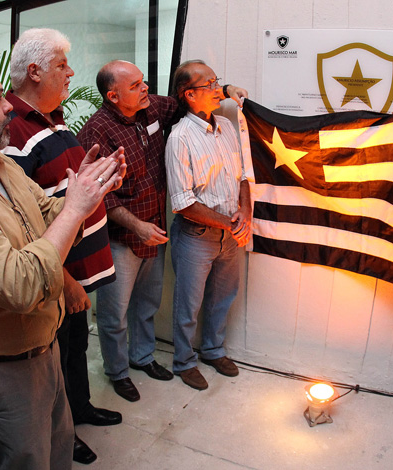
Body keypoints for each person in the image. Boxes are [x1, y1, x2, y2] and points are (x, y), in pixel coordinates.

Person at [0, 57, 125, 470]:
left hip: (43, 350)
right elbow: (22, 284)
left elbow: (47, 214)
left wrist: (85, 192)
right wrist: (74, 209)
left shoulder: (1, 164)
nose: (9, 105)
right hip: (4, 369)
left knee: (57, 449)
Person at [77, 60, 248, 400]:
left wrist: (225, 91)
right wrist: (137, 225)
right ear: (113, 96)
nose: (146, 89)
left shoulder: (151, 107)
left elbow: (183, 98)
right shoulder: (96, 133)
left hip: (153, 229)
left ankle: (141, 357)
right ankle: (118, 370)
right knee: (115, 313)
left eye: (144, 82)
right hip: (122, 236)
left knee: (148, 303)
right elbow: (95, 195)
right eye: (136, 85)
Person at [164, 60, 251, 391]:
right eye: (211, 85)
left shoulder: (226, 127)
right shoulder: (180, 138)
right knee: (189, 304)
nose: (219, 90)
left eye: (218, 82)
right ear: (189, 95)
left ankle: (214, 351)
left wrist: (245, 212)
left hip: (230, 233)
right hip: (196, 237)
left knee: (223, 296)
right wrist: (229, 223)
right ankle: (184, 362)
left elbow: (244, 175)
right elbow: (183, 202)